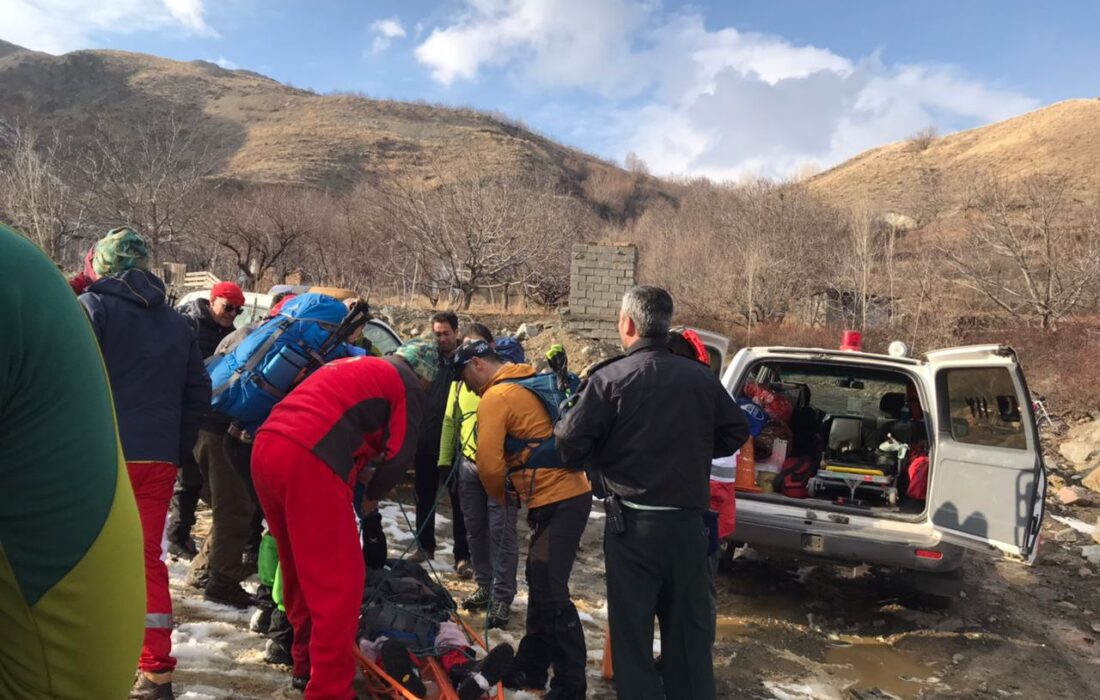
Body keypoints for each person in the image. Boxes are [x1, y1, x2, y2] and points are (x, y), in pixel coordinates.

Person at [555, 286, 748, 700]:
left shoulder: (610, 378)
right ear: (664, 324)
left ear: (628, 324)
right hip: (688, 527)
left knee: (633, 640)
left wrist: (609, 457)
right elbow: (735, 431)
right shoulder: (701, 377)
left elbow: (568, 444)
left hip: (634, 528)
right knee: (689, 640)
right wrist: (692, 450)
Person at [0, 224, 145, 700]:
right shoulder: (168, 317)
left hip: (41, 657)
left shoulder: (88, 305)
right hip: (122, 456)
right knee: (158, 558)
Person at [251, 340, 436, 698]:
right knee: (340, 585)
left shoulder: (358, 366)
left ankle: (304, 664)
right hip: (309, 457)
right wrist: (373, 496)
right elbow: (399, 456)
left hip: (268, 447)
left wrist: (360, 473)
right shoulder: (406, 381)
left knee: (299, 571)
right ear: (423, 377)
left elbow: (343, 423)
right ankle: (330, 689)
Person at [79, 227, 211, 699]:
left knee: (87, 555)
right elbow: (199, 393)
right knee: (145, 559)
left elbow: (71, 382)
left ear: (101, 264)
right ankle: (156, 671)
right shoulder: (178, 322)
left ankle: (91, 657)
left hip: (100, 455)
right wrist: (174, 449)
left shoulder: (93, 309)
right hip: (158, 459)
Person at [454, 339, 592, 700]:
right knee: (539, 579)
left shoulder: (495, 398)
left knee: (551, 589)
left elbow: (487, 463)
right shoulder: (527, 380)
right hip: (565, 495)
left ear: (478, 365)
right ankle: (532, 666)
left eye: (463, 375)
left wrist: (502, 496)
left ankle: (570, 685)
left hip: (560, 497)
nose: (464, 384)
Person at [439, 324, 520, 629]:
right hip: (469, 466)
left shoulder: (507, 384)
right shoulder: (461, 385)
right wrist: (445, 460)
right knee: (475, 529)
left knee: (502, 533)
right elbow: (450, 422)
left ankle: (502, 597)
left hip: (501, 468)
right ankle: (484, 584)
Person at [168, 281, 247, 559]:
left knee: (196, 479)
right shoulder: (189, 325)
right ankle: (177, 535)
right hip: (184, 411)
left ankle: (182, 534)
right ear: (213, 300)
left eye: (238, 310)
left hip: (212, 415)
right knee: (186, 479)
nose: (232, 314)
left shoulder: (235, 335)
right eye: (228, 307)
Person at [411, 311, 471, 577]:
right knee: (424, 498)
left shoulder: (465, 361)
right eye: (437, 334)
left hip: (456, 445)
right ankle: (424, 547)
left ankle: (463, 556)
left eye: (446, 333)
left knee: (460, 502)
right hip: (425, 441)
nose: (442, 339)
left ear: (456, 333)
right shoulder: (427, 360)